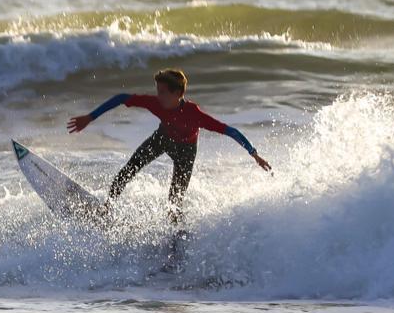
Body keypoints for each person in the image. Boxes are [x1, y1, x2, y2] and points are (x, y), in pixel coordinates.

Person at [66, 68, 271, 224]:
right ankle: (106, 210)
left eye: (163, 92)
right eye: (158, 91)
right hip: (162, 138)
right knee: (126, 172)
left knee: (174, 202)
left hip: (186, 152)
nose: (159, 96)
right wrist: (90, 117)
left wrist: (254, 153)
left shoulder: (194, 114)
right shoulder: (155, 103)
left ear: (178, 93)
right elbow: (121, 98)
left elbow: (229, 131)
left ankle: (174, 239)